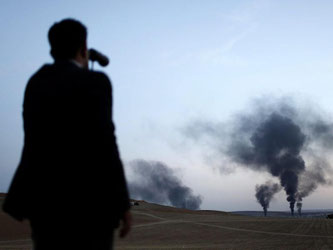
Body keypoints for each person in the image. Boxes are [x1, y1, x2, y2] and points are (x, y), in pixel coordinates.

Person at [2, 18, 131, 250]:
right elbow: (106, 144)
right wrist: (123, 204)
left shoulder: (35, 83)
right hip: (90, 207)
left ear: (52, 49)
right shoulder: (96, 82)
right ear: (83, 48)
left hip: (45, 204)